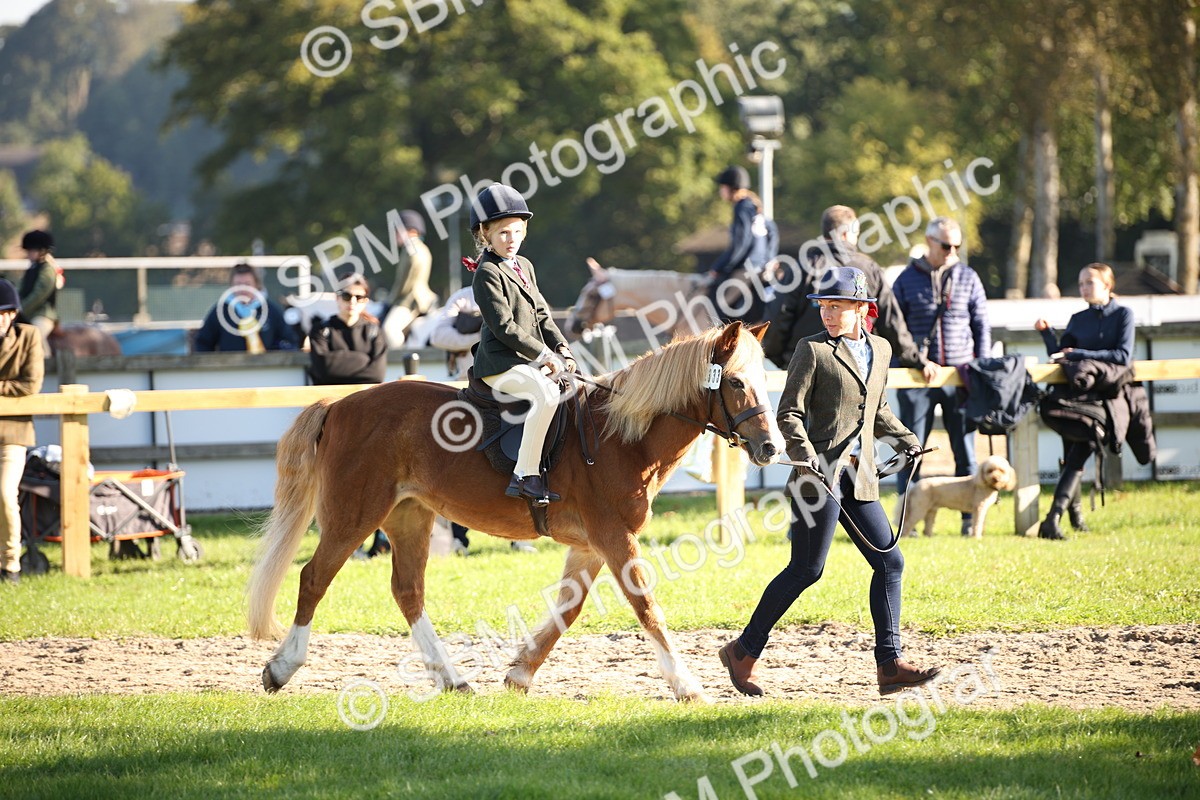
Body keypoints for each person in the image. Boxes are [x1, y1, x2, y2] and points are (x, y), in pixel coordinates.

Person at [718, 267, 939, 697]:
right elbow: (789, 413)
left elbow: (877, 410)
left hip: (860, 476)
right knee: (806, 570)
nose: (828, 314)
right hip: (817, 479)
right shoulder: (812, 349)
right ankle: (743, 650)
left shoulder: (881, 349)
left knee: (890, 563)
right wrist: (806, 457)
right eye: (824, 306)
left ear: (861, 308)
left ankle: (890, 663)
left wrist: (907, 440)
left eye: (837, 306)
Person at [468, 183, 576, 507]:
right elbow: (504, 327)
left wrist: (563, 350)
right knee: (546, 393)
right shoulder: (487, 273)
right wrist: (544, 354)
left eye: (517, 231)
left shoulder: (524, 265)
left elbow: (542, 315)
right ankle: (526, 475)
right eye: (503, 232)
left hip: (527, 361)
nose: (511, 238)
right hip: (500, 364)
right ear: (485, 233)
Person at [891, 217, 991, 536]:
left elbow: (981, 325)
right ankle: (907, 521)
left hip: (960, 377)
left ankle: (969, 521)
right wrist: (918, 361)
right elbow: (895, 329)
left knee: (965, 450)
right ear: (929, 241)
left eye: (957, 246)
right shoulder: (905, 279)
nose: (952, 252)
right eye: (946, 245)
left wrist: (980, 368)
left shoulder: (968, 277)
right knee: (911, 450)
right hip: (916, 377)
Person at [426, 287, 535, 554]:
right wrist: (483, 336)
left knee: (513, 454)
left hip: (509, 388)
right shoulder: (463, 298)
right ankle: (458, 537)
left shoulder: (517, 290)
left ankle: (519, 534)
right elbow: (438, 335)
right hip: (468, 387)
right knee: (463, 463)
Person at [1034, 263, 1135, 540]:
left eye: (1090, 282)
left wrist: (1079, 353)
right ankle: (1073, 517)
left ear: (1107, 285)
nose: (1084, 288)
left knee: (1083, 447)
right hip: (1075, 395)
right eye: (1081, 283)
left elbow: (1122, 356)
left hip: (1106, 397)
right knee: (1072, 454)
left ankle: (1053, 518)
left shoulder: (1124, 315)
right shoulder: (1078, 318)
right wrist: (1047, 334)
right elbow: (1061, 355)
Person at [763, 205, 926, 371]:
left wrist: (785, 360)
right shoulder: (869, 268)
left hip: (808, 366)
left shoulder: (801, 269)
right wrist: (915, 360)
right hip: (858, 368)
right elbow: (890, 321)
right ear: (845, 234)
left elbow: (778, 317)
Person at [0, 279, 45, 585]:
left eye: (3, 313)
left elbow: (30, 384)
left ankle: (10, 564)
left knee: (5, 494)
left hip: (13, 433)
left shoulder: (29, 336)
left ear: (13, 313)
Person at [704, 166, 778, 324]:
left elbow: (740, 244)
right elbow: (772, 232)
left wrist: (718, 267)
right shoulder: (754, 206)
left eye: (722, 187)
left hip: (748, 267)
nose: (720, 191)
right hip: (761, 266)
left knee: (718, 305)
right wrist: (770, 258)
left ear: (731, 188)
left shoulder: (741, 207)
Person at [193, 264, 299, 353]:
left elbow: (289, 341)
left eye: (247, 284)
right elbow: (202, 343)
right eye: (238, 284)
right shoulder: (220, 312)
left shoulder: (271, 310)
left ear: (256, 285)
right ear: (231, 286)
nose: (243, 289)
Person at [307, 273, 387, 386]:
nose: (352, 301)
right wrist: (363, 360)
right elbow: (323, 371)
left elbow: (377, 374)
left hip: (364, 396)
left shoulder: (374, 332)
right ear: (337, 298)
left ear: (365, 301)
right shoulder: (321, 330)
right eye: (346, 296)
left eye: (359, 297)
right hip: (330, 396)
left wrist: (336, 366)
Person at [388, 209, 438, 330]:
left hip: (411, 300)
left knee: (388, 330)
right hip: (419, 298)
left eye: (397, 230)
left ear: (411, 231)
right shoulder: (422, 248)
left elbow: (404, 282)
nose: (394, 234)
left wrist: (390, 300)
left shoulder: (411, 250)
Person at [17, 230, 60, 350]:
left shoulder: (48, 270)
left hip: (43, 315)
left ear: (42, 251)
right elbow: (21, 291)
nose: (28, 254)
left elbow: (38, 296)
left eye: (31, 250)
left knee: (36, 336)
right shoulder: (30, 270)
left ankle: (45, 360)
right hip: (27, 314)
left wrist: (20, 309)